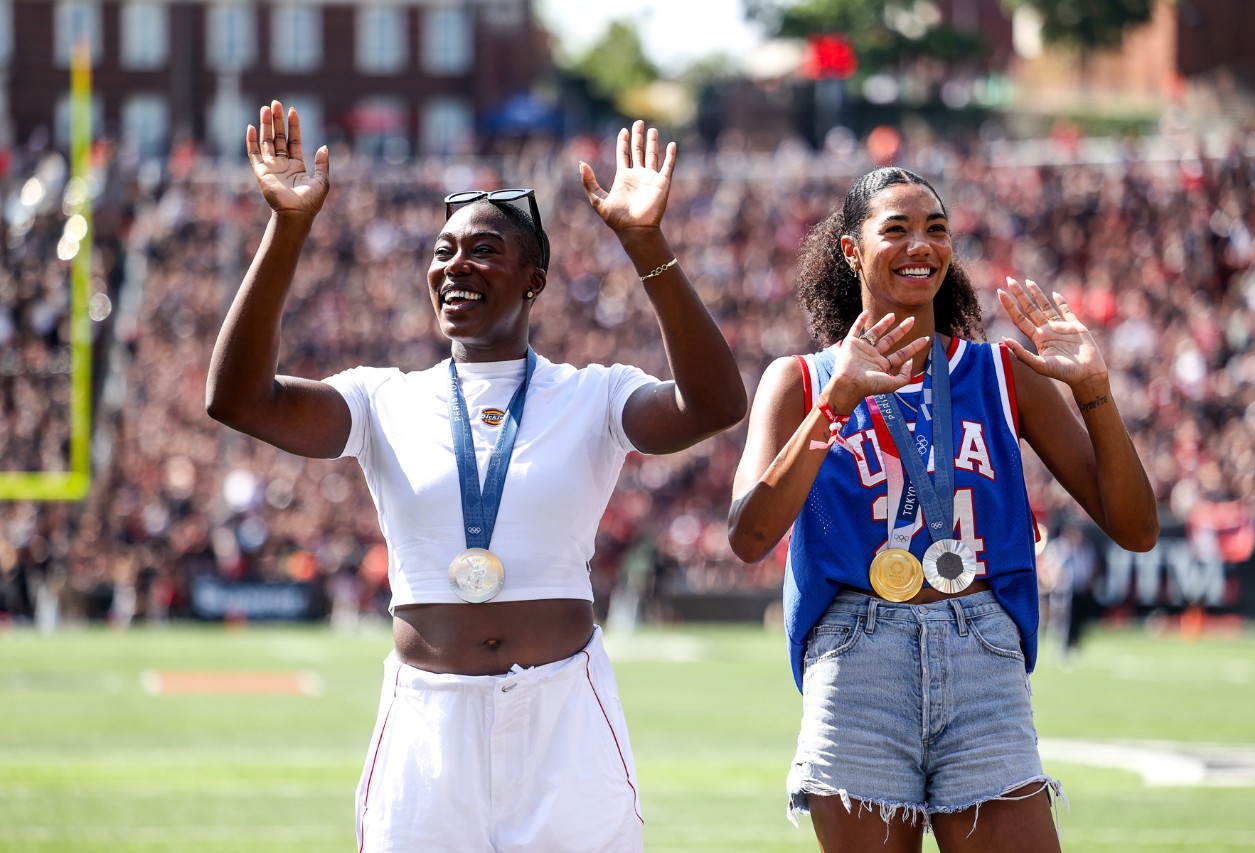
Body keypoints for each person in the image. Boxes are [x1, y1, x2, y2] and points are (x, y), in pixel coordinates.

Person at [206, 101, 746, 852]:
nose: (454, 264)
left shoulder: (593, 395)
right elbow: (236, 399)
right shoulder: (381, 397)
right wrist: (287, 226)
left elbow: (716, 404)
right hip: (428, 725)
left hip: (565, 718)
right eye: (442, 251)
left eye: (483, 249)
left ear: (535, 279)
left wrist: (646, 244)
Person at [727, 166, 1158, 852]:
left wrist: (1095, 392)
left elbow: (1136, 528)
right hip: (857, 655)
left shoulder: (1001, 372)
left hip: (982, 648)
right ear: (850, 249)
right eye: (895, 229)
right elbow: (748, 535)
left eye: (935, 228)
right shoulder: (800, 379)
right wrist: (835, 405)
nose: (919, 245)